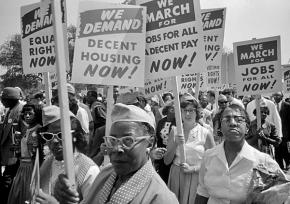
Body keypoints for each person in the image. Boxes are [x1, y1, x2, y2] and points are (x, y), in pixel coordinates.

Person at [52, 103, 179, 204]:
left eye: (128, 140)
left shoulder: (160, 198)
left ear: (150, 143)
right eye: (112, 140)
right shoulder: (106, 173)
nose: (117, 148)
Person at [195, 104, 285, 204]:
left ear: (247, 128)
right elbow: (202, 193)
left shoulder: (263, 162)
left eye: (239, 119)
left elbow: (279, 196)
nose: (233, 123)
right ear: (220, 127)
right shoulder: (208, 157)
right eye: (227, 119)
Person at [36, 105, 99, 203]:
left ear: (75, 136)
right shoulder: (48, 163)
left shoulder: (88, 170)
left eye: (61, 135)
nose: (55, 141)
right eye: (48, 136)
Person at [164, 94, 215, 204]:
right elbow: (166, 161)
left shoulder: (205, 133)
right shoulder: (174, 130)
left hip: (198, 178)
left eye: (191, 110)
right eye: (184, 110)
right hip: (177, 176)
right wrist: (175, 143)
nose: (187, 114)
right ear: (180, 113)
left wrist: (194, 168)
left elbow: (214, 162)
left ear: (197, 112)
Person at [7, 103, 43, 204]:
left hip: (31, 168)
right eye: (25, 113)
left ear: (36, 114)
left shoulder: (38, 130)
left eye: (30, 113)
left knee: (28, 195)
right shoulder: (28, 128)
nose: (27, 116)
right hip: (23, 167)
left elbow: (37, 153)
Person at [0, 87, 24, 203]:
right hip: (7, 154)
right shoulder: (10, 110)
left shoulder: (21, 111)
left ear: (11, 99)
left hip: (15, 155)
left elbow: (24, 134)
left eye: (3, 98)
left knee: (7, 182)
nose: (2, 101)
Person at [154, 100, 176, 183]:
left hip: (173, 154)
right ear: (167, 109)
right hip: (162, 152)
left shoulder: (179, 122)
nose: (174, 109)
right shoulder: (161, 122)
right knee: (163, 177)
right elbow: (158, 139)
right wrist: (157, 159)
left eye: (176, 108)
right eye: (172, 108)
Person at [272, 92, 290, 170]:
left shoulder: (287, 105)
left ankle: (288, 163)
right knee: (277, 149)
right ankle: (280, 167)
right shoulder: (272, 105)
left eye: (278, 95)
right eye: (274, 95)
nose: (276, 97)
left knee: (284, 149)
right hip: (276, 132)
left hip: (285, 132)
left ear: (282, 96)